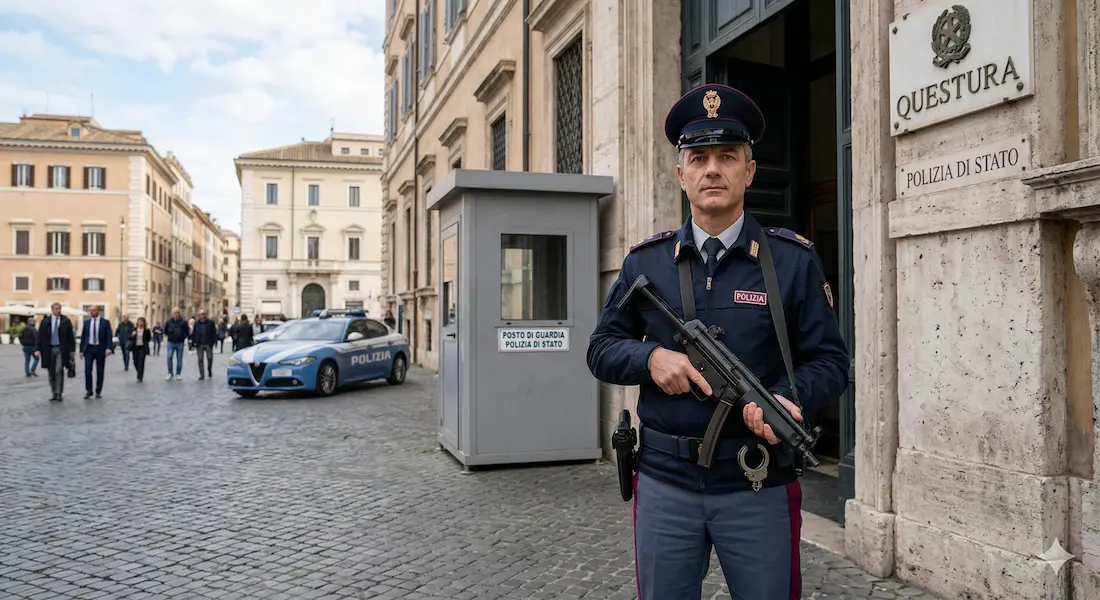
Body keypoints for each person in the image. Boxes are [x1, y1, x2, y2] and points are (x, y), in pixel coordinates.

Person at [586, 83, 850, 599]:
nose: (713, 169)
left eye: (727, 157)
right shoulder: (646, 263)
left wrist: (789, 398)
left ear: (748, 172)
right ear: (680, 174)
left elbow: (831, 362)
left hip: (759, 483)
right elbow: (601, 348)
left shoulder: (792, 262)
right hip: (665, 484)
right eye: (699, 158)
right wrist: (649, 357)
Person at [35, 303, 76, 401]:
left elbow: (71, 337)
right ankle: (53, 392)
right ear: (52, 310)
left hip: (61, 349)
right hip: (48, 349)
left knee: (59, 370)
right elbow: (39, 336)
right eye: (56, 309)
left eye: (60, 309)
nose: (58, 310)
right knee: (51, 371)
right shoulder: (46, 321)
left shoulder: (65, 321)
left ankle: (59, 392)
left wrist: (72, 350)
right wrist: (37, 349)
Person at [79, 305, 114, 399]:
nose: (92, 312)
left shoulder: (105, 323)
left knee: (100, 370)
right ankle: (89, 390)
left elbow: (109, 336)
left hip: (100, 348)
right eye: (90, 311)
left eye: (93, 310)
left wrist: (109, 348)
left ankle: (98, 390)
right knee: (87, 370)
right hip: (89, 349)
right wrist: (81, 350)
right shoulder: (86, 323)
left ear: (98, 311)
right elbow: (83, 337)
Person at [164, 308, 189, 380]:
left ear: (179, 313)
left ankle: (178, 373)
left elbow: (186, 331)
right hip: (171, 342)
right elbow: (165, 331)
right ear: (172, 314)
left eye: (177, 313)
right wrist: (169, 335)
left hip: (180, 342)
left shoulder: (183, 322)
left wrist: (183, 337)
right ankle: (170, 373)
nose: (176, 314)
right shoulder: (169, 322)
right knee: (169, 356)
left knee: (179, 359)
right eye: (175, 313)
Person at [191, 309, 217, 380]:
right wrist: (193, 344)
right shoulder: (196, 324)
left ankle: (209, 370)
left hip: (208, 343)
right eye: (201, 314)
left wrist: (214, 342)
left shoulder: (210, 323)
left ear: (205, 315)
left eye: (203, 314)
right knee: (200, 360)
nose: (202, 316)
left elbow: (214, 333)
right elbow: (194, 333)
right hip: (199, 344)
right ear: (199, 315)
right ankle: (202, 375)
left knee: (210, 358)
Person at [130, 317, 151, 382]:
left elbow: (148, 338)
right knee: (135, 362)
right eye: (139, 321)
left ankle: (140, 376)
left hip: (142, 347)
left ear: (144, 323)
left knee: (141, 362)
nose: (140, 323)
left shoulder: (146, 330)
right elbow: (129, 338)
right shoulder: (134, 329)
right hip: (135, 347)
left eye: (141, 322)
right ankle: (139, 372)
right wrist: (132, 335)